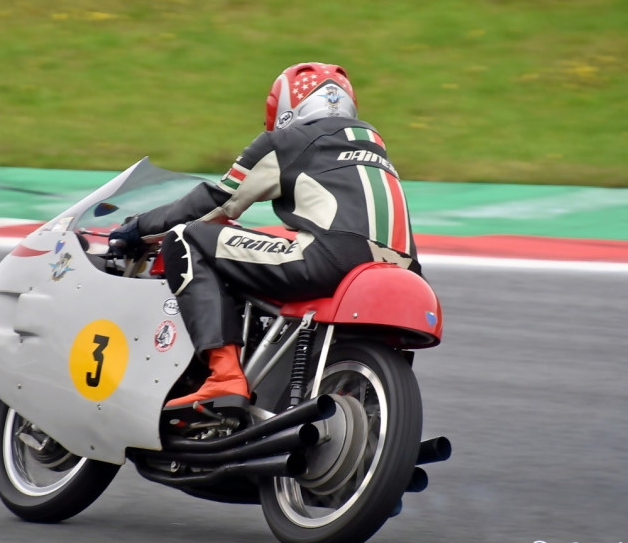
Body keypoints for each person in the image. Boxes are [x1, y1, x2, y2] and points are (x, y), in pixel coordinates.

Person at [110, 62, 421, 410]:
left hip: (330, 257)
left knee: (188, 237)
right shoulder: (375, 145)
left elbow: (217, 203)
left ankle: (224, 376)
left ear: (285, 108)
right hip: (403, 269)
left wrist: (140, 227)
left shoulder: (288, 140)